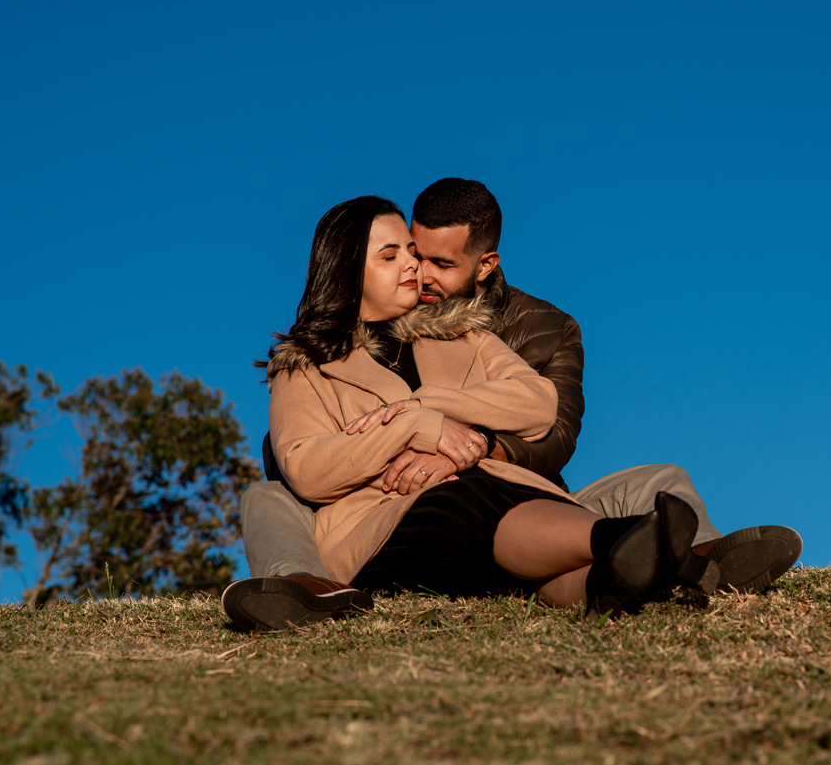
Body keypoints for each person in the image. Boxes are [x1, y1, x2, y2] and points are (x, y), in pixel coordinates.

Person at [225, 179, 801, 630]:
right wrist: (415, 429)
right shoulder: (306, 365)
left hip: (500, 488)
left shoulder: (461, 331)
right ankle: (631, 541)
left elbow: (541, 406)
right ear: (347, 270)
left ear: (485, 262)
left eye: (415, 253)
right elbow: (305, 466)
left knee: (641, 486)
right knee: (465, 500)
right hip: (391, 520)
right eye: (393, 254)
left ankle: (662, 563)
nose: (414, 267)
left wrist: (433, 409)